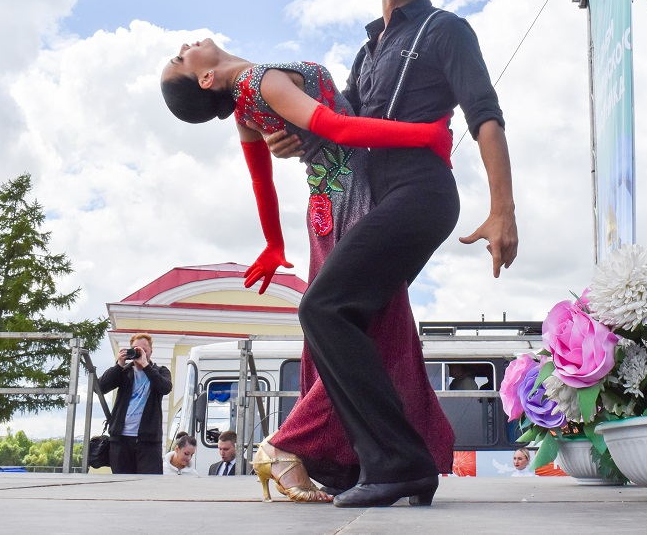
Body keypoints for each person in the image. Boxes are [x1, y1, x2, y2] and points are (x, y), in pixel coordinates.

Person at [264, 0, 518, 509]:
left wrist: (503, 209)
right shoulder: (364, 53)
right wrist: (296, 137)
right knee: (362, 321)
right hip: (370, 201)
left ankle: (399, 465)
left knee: (324, 307)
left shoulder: (446, 29)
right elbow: (342, 127)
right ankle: (357, 462)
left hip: (421, 192)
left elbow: (485, 115)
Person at [160, 42, 456, 503]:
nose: (184, 48)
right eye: (180, 59)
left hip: (325, 209)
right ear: (205, 79)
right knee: (377, 331)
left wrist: (274, 244)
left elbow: (261, 180)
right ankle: (287, 446)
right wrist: (426, 135)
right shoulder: (259, 82)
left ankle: (354, 462)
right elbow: (336, 126)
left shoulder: (247, 104)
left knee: (350, 337)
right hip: (352, 201)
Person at [98, 333, 173, 475]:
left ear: (151, 351)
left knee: (148, 483)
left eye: (144, 350)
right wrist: (119, 364)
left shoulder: (160, 371)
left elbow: (165, 388)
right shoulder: (124, 371)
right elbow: (100, 388)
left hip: (148, 442)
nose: (140, 353)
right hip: (121, 440)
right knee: (122, 483)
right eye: (136, 349)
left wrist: (145, 365)